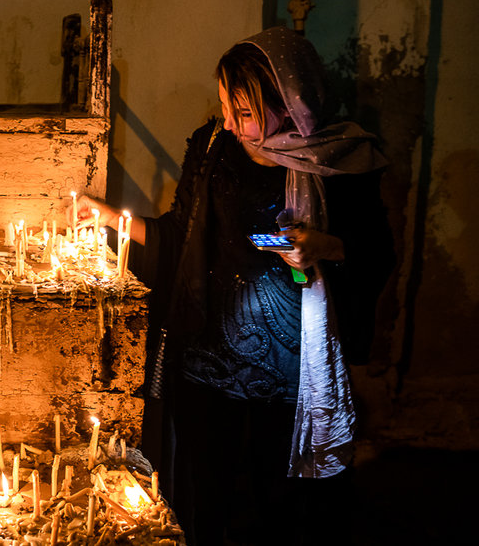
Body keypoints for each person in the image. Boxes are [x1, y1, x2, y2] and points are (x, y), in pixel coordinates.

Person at [73, 27, 394, 545]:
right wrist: (114, 220)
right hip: (209, 363)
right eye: (225, 106)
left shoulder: (342, 161)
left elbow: (376, 251)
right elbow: (181, 235)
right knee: (202, 498)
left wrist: (323, 246)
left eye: (244, 113)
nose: (229, 122)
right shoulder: (215, 148)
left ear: (291, 105)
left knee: (281, 504)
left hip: (292, 377)